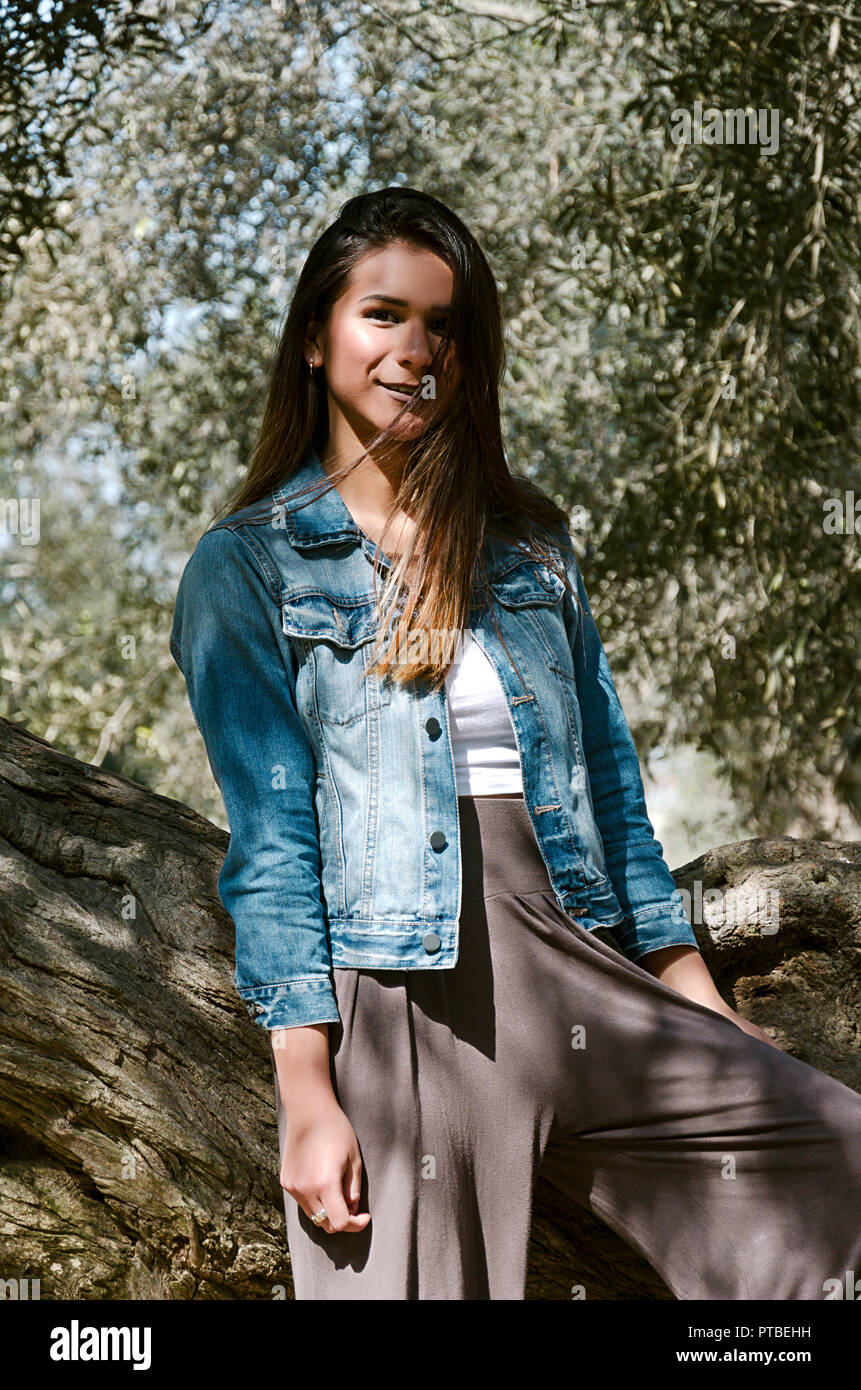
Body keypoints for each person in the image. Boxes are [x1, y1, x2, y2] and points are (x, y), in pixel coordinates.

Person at [169, 186, 861, 1301]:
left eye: (444, 327)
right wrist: (308, 1085)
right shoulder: (248, 568)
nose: (415, 351)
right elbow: (273, 842)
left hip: (580, 967)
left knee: (839, 1152)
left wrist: (707, 1007)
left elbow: (614, 795)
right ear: (315, 338)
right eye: (383, 315)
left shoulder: (531, 548)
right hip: (404, 1002)